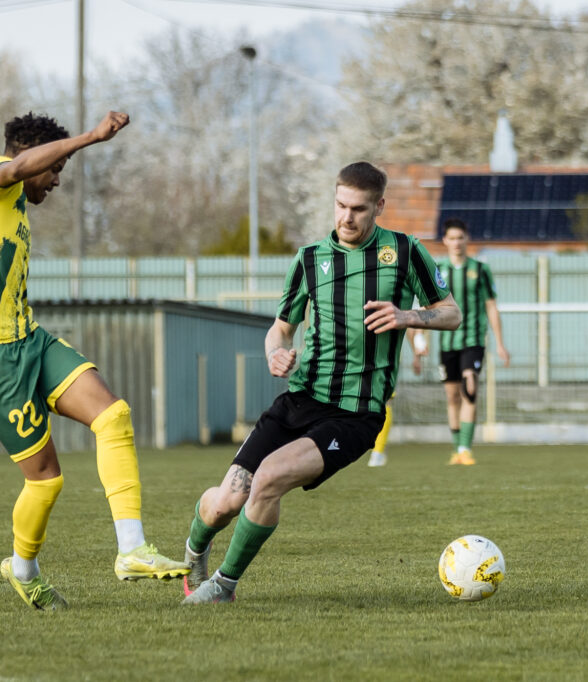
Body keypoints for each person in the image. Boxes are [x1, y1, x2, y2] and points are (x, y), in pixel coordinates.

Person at [180, 161, 461, 604]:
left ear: (379, 207)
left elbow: (451, 312)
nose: (347, 217)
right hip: (299, 400)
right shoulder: (310, 259)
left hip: (356, 414)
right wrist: (275, 352)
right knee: (225, 503)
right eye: (340, 205)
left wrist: (408, 316)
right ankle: (195, 548)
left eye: (359, 209)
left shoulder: (406, 252)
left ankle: (223, 587)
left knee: (269, 478)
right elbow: (281, 329)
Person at [0, 111, 188, 610]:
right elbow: (17, 168)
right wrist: (90, 138)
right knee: (46, 480)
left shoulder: (14, 207)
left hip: (27, 339)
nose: (57, 180)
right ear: (33, 157)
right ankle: (24, 570)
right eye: (56, 168)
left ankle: (132, 549)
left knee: (113, 414)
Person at [434, 218, 509, 466]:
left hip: (473, 340)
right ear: (445, 241)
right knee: (452, 397)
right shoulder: (437, 270)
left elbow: (491, 306)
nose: (457, 242)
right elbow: (428, 306)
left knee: (470, 387)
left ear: (467, 239)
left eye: (460, 238)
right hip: (447, 342)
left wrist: (500, 343)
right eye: (452, 238)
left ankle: (465, 448)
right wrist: (419, 342)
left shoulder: (480, 269)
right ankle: (457, 449)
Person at [366, 329, 428, 467]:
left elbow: (411, 324)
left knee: (383, 401)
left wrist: (416, 350)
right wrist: (417, 349)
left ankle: (377, 452)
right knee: (381, 402)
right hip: (377, 355)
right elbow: (412, 324)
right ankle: (376, 452)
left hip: (381, 355)